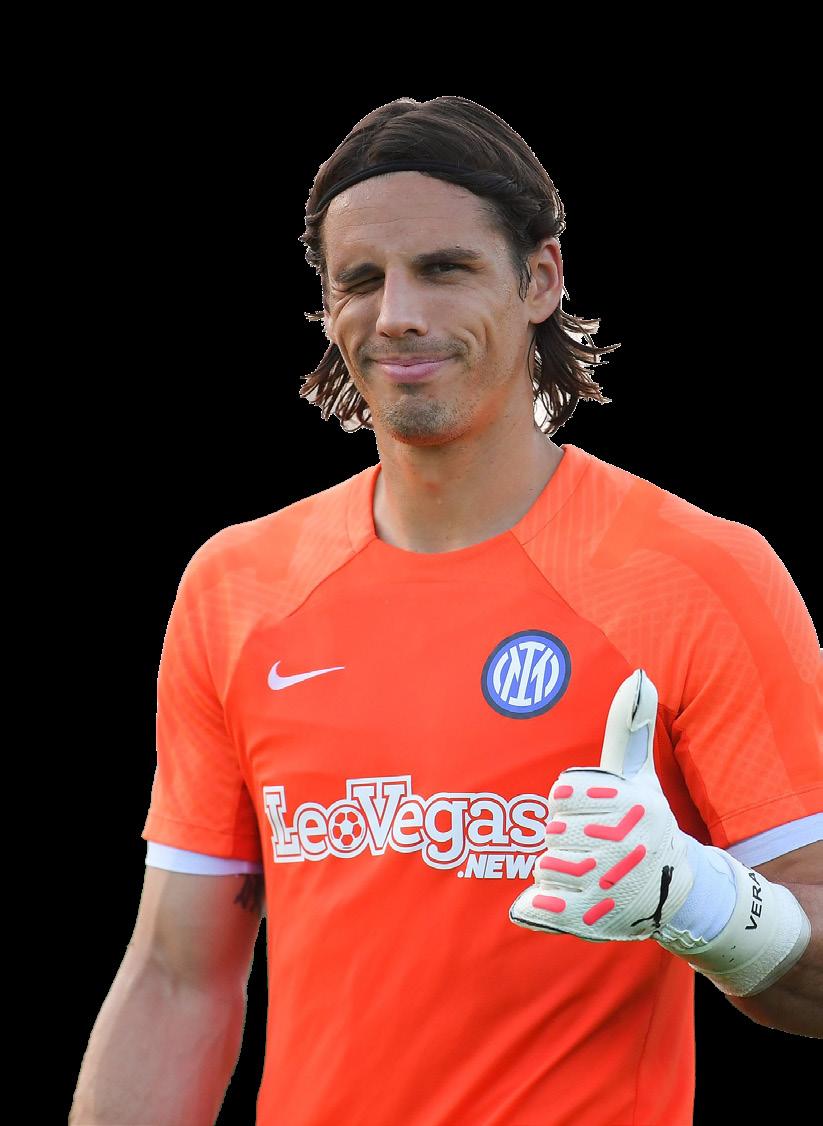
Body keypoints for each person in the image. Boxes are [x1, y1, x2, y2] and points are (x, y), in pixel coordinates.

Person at [70, 96, 822, 1126]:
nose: (396, 315)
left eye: (444, 268)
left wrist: (696, 901)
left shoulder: (696, 575)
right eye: (360, 280)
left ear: (540, 279)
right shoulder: (237, 586)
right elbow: (175, 978)